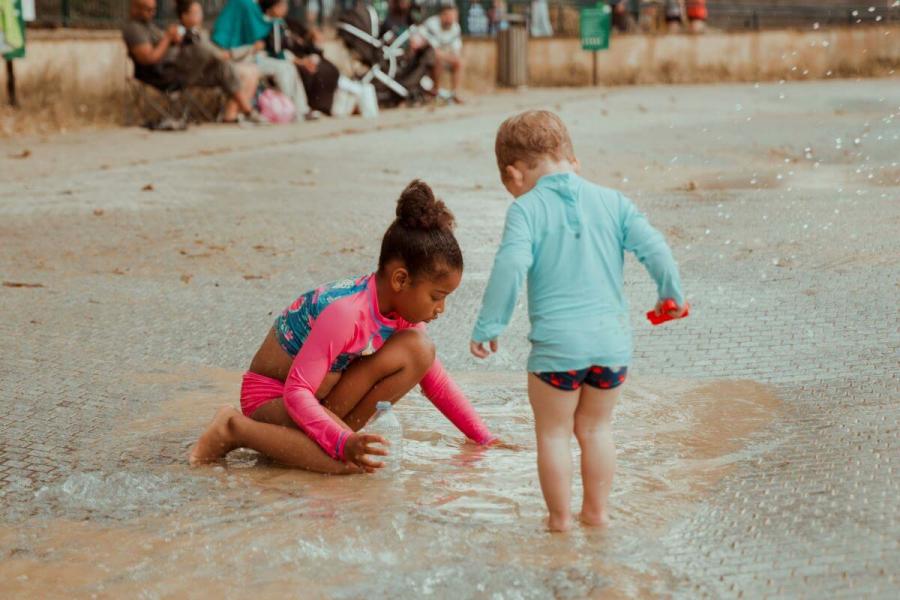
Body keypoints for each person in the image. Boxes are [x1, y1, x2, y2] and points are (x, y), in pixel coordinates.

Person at [469, 111, 688, 531]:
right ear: (574, 160)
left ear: (514, 176)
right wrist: (671, 294)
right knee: (596, 429)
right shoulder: (614, 202)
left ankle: (559, 522)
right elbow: (656, 249)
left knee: (553, 434)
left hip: (557, 352)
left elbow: (511, 265)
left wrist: (490, 325)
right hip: (611, 348)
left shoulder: (526, 211)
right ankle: (597, 515)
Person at [190, 180, 499, 473]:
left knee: (420, 350)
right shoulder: (346, 312)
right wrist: (342, 442)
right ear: (401, 280)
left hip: (320, 397)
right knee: (350, 465)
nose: (441, 309)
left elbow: (435, 379)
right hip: (273, 399)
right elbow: (297, 392)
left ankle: (320, 440)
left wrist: (484, 439)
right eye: (437, 297)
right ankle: (234, 428)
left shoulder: (401, 311)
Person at [123, 0, 262, 124]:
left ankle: (248, 111)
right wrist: (167, 38)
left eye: (153, 9)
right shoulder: (134, 29)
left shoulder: (151, 26)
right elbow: (148, 59)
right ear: (134, 8)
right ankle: (222, 55)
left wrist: (174, 41)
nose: (152, 13)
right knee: (201, 47)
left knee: (222, 66)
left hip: (181, 69)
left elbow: (166, 46)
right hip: (163, 74)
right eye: (147, 9)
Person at [423, 3, 464, 103]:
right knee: (437, 59)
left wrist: (453, 58)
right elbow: (433, 50)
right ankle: (435, 92)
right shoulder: (431, 24)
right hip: (427, 58)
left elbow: (457, 50)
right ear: (442, 15)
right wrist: (449, 56)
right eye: (449, 16)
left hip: (445, 56)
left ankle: (455, 94)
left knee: (460, 62)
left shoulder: (455, 27)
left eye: (454, 16)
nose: (451, 19)